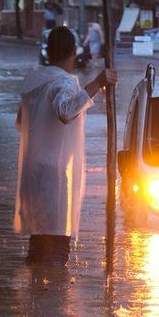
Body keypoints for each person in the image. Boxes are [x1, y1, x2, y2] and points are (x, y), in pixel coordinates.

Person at [14, 25, 118, 265]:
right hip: (54, 175)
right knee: (57, 246)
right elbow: (66, 110)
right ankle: (55, 299)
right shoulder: (63, 82)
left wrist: (92, 91)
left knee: (38, 244)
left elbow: (21, 122)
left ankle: (36, 296)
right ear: (73, 52)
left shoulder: (34, 83)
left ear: (48, 52)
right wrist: (98, 82)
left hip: (33, 172)